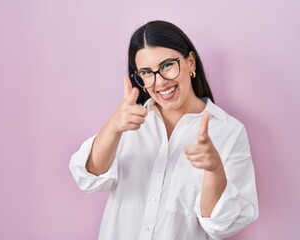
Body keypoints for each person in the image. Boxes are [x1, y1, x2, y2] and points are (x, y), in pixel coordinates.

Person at [69, 20, 259, 240]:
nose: (159, 82)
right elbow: (89, 177)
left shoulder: (228, 132)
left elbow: (219, 226)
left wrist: (214, 170)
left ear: (190, 63)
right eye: (146, 73)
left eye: (167, 65)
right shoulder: (129, 122)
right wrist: (113, 127)